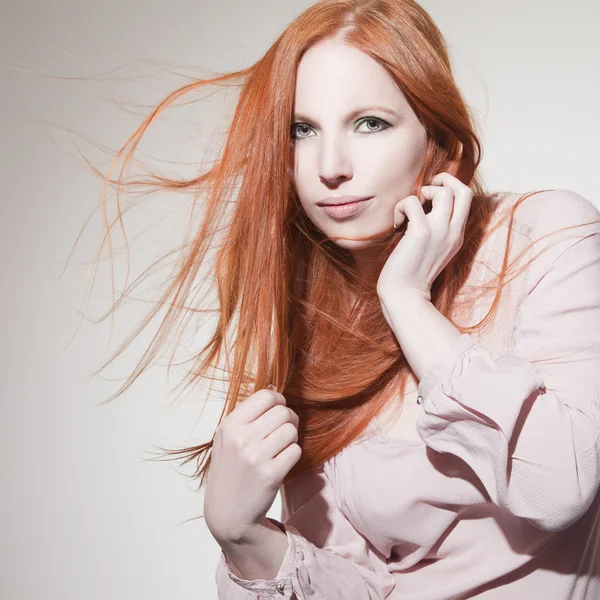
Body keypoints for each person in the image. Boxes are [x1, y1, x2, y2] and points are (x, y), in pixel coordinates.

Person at [83, 1, 600, 598]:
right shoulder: (310, 321)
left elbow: (560, 482)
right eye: (303, 130)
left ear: (439, 136)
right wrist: (242, 537)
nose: (329, 167)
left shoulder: (545, 238)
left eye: (369, 123)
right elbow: (362, 585)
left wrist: (407, 301)